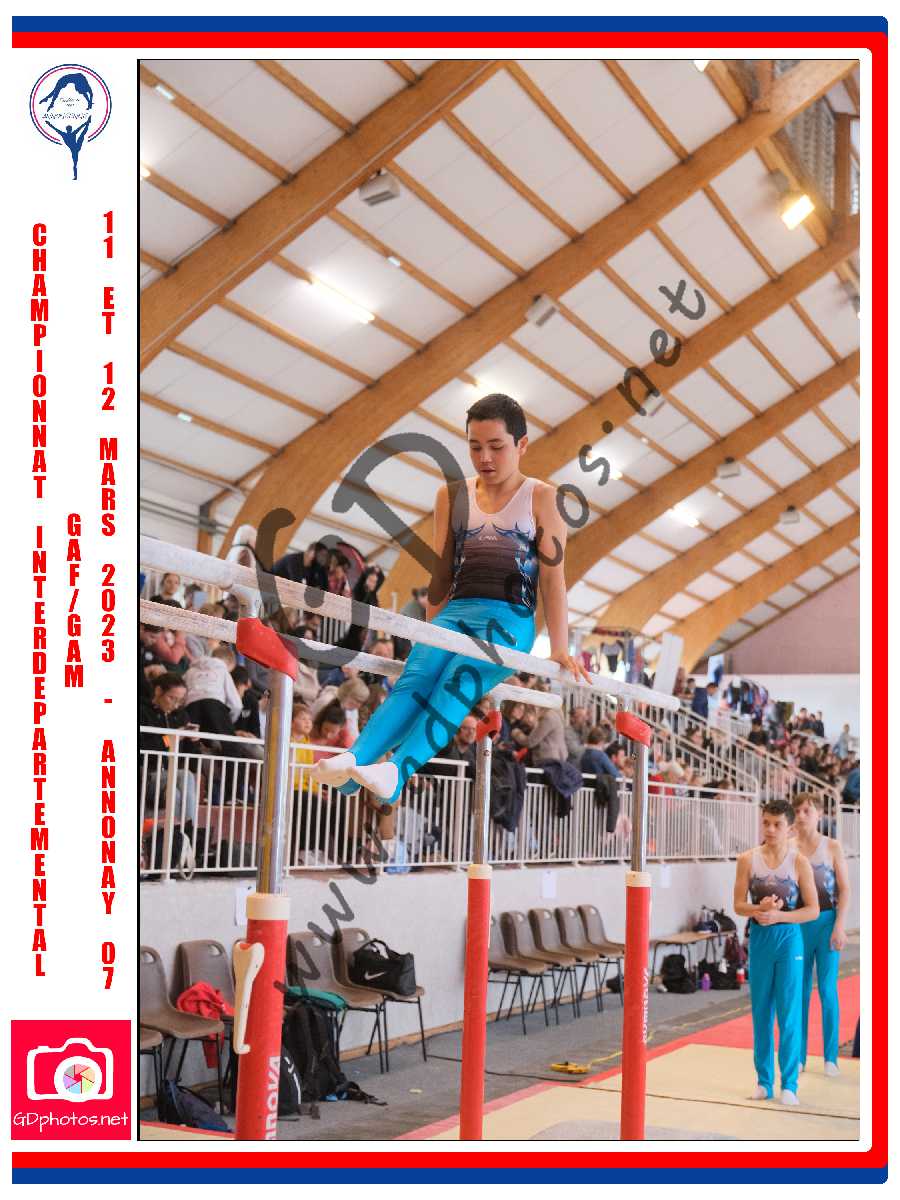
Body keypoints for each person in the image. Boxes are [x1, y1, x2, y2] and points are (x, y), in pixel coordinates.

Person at [313, 392, 590, 802]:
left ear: (522, 445)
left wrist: (560, 648)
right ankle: (354, 763)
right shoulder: (452, 496)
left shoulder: (542, 497)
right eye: (475, 447)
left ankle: (397, 770)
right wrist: (431, 636)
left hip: (509, 622)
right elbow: (441, 572)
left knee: (455, 684)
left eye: (496, 446)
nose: (485, 458)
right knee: (416, 679)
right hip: (454, 613)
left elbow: (553, 579)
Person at [733, 799, 819, 1105]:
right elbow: (738, 905)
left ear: (790, 828)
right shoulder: (747, 859)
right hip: (761, 939)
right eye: (766, 823)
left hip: (789, 939)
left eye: (777, 824)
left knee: (789, 1012)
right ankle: (764, 1082)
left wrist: (779, 915)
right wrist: (759, 908)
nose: (770, 829)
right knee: (761, 1012)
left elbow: (813, 910)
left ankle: (790, 1084)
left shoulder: (799, 862)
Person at [791, 793, 851, 1077]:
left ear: (819, 814)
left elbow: (845, 889)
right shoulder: (788, 847)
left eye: (807, 810)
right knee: (799, 992)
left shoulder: (832, 846)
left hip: (826, 923)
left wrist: (840, 925)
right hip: (798, 925)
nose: (801, 815)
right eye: (797, 811)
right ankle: (798, 1056)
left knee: (827, 990)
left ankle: (830, 1057)